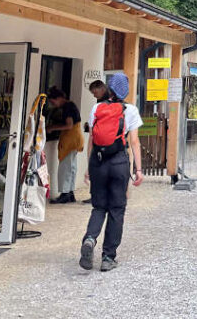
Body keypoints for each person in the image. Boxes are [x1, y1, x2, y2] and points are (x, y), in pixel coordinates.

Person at [80, 72, 143, 272]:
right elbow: (134, 142)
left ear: (108, 89)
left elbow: (91, 140)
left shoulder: (97, 108)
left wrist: (89, 169)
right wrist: (138, 169)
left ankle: (90, 239)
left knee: (99, 207)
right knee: (116, 209)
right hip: (118, 163)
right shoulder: (130, 110)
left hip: (98, 163)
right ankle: (108, 257)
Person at [45, 87, 84, 204]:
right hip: (76, 138)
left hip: (70, 138)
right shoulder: (70, 106)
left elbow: (69, 125)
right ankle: (70, 193)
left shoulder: (67, 107)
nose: (53, 104)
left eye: (53, 102)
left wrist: (52, 128)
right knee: (71, 167)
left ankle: (65, 194)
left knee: (65, 167)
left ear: (59, 98)